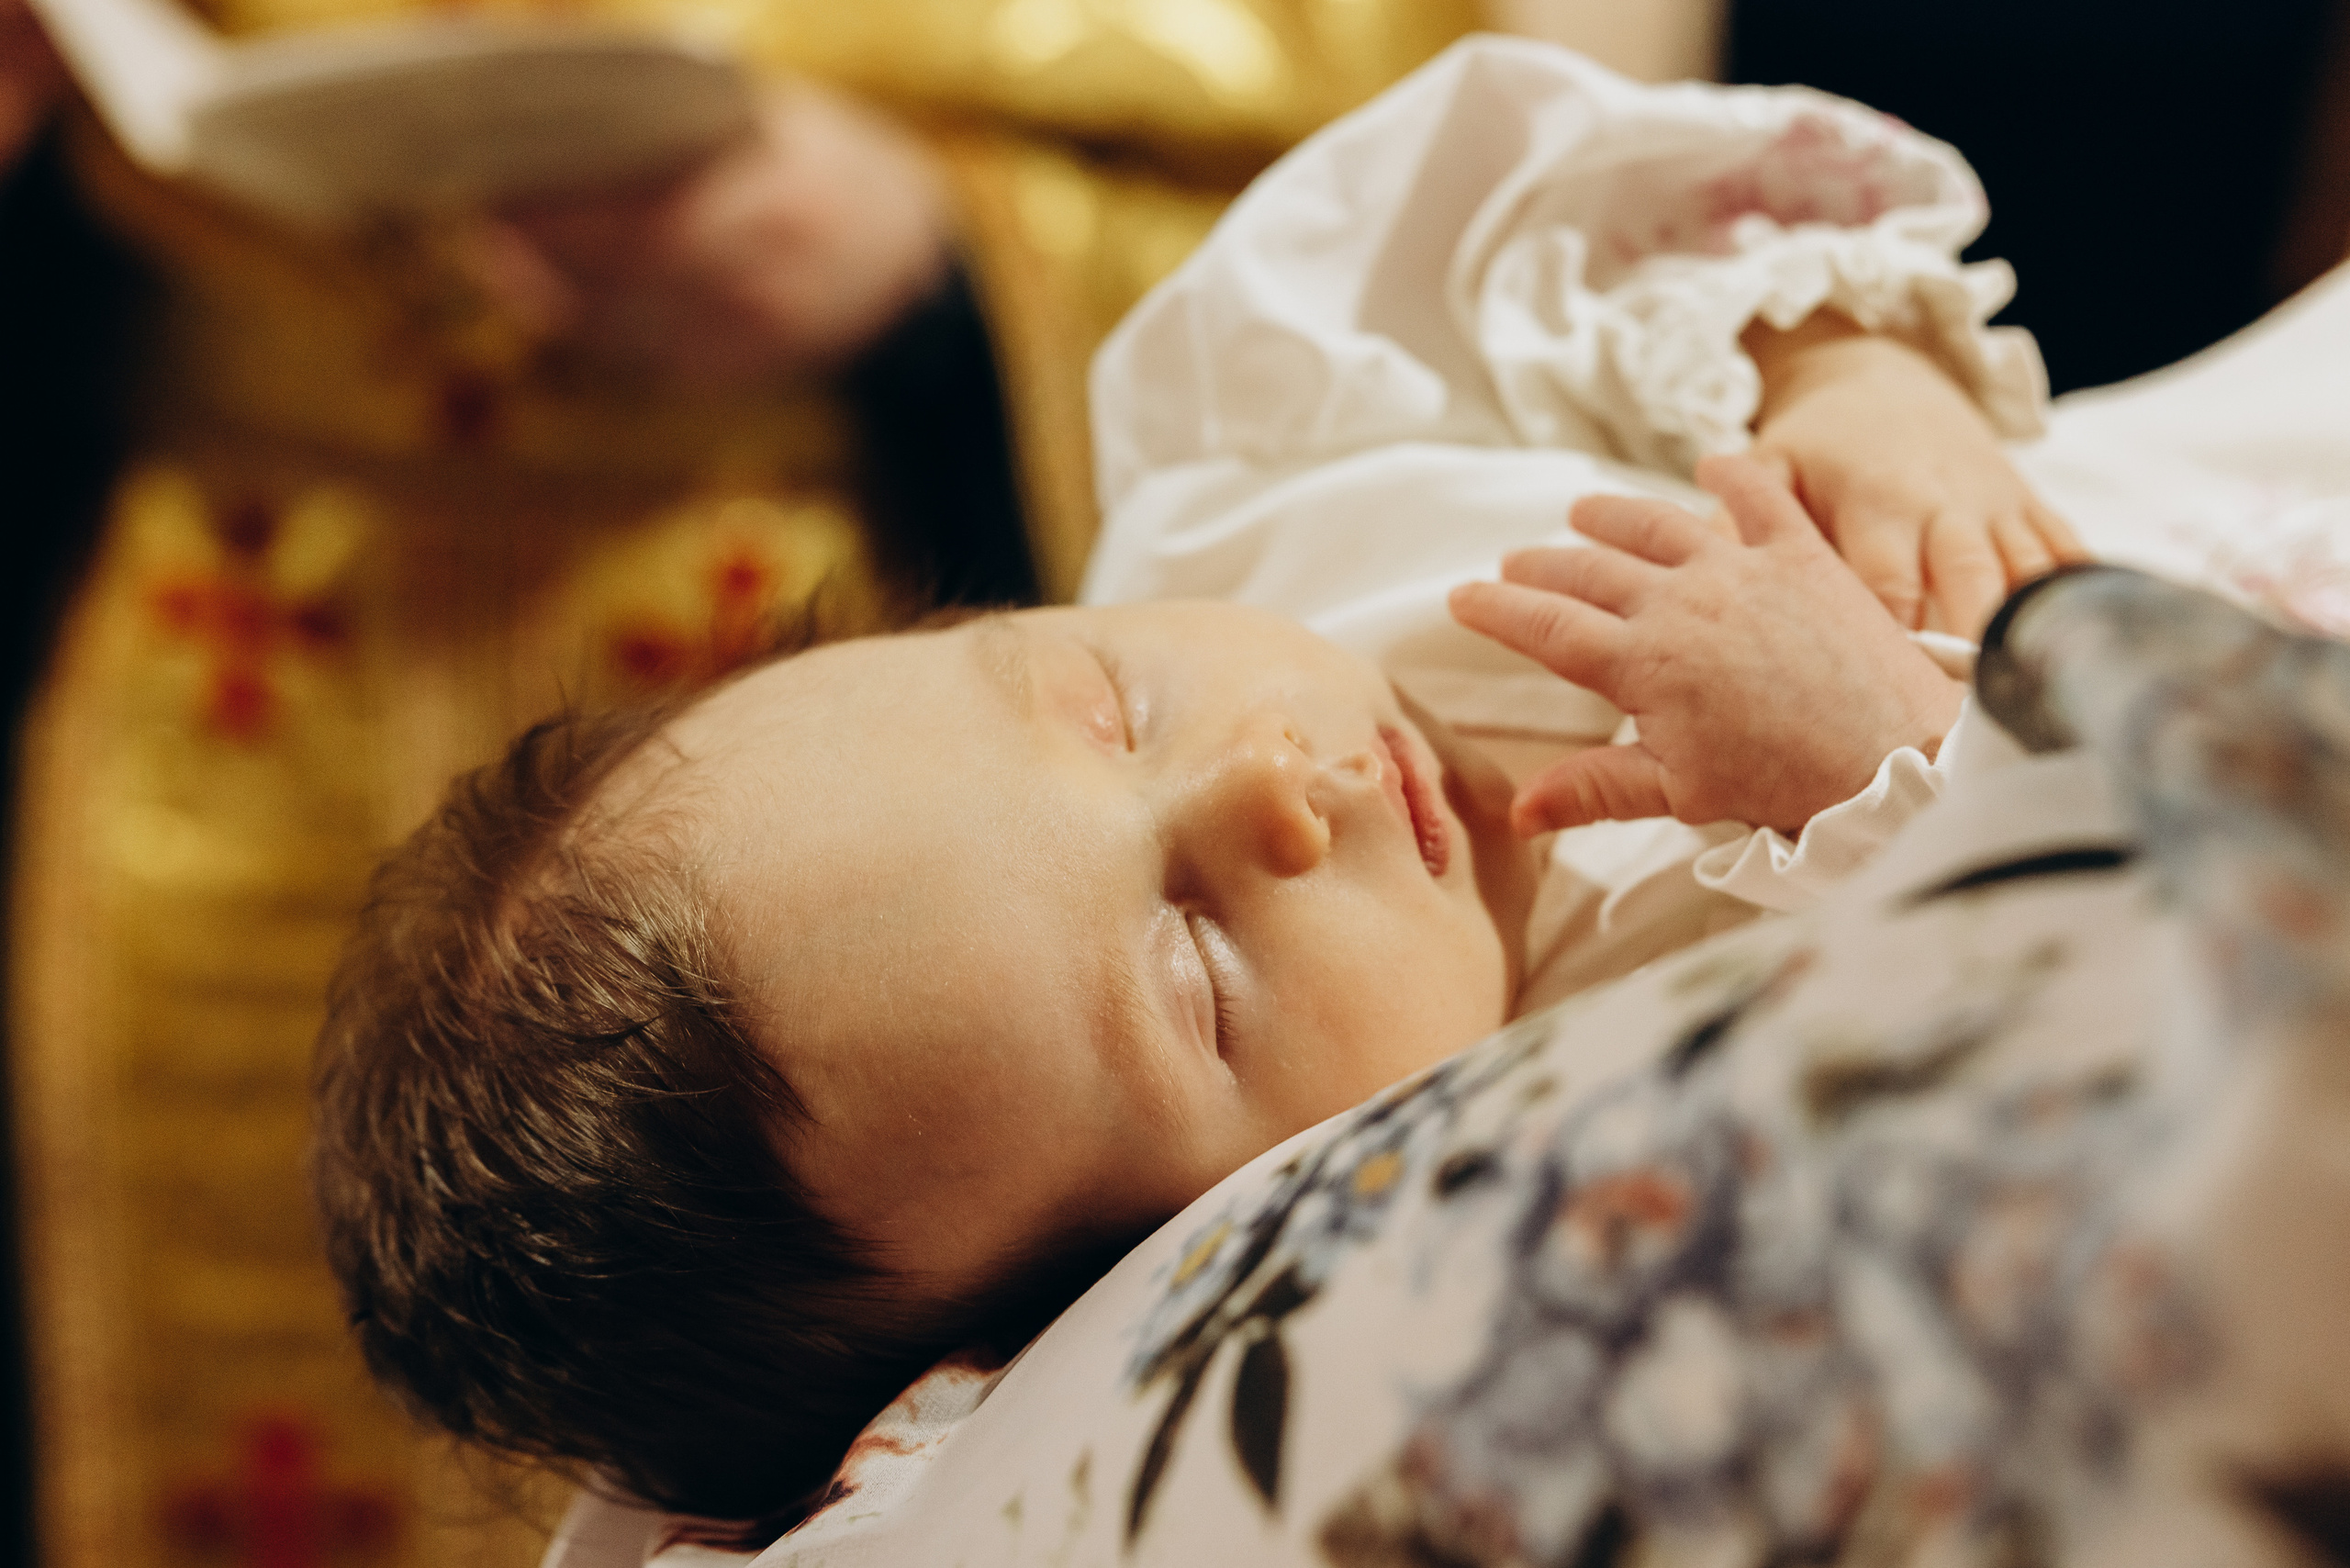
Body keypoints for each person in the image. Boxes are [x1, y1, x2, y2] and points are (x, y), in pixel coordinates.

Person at [310, 36, 2072, 1541]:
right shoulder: (1574, 1156)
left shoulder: (1266, 472)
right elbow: (2092, 1048)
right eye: (1197, 974)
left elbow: (1541, 196)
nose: (1267, 786)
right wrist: (1895, 768)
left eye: (1108, 703)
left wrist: (1848, 368)